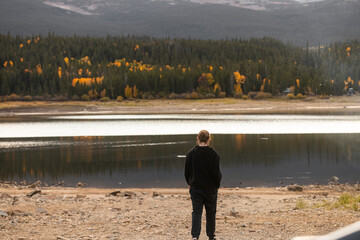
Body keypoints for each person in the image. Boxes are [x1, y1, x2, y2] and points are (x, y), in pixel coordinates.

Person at [185, 130, 222, 240]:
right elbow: (217, 174)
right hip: (210, 188)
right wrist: (217, 185)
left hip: (196, 187)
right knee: (211, 212)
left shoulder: (191, 154)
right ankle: (211, 236)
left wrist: (190, 183)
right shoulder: (214, 155)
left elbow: (187, 172)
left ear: (198, 138)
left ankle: (195, 236)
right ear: (208, 139)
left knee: (197, 212)